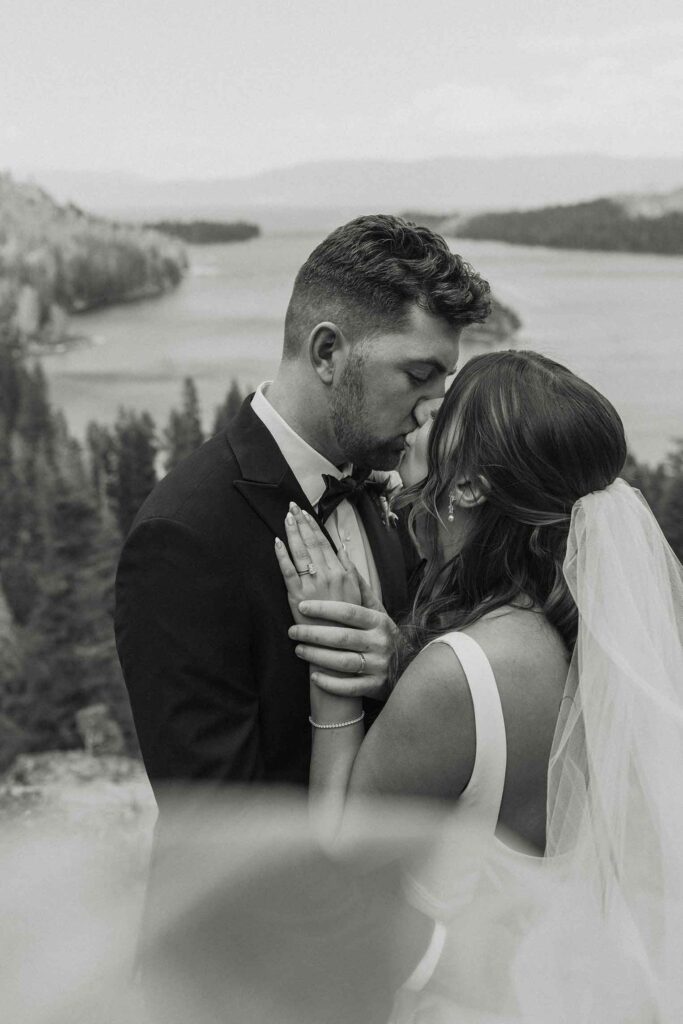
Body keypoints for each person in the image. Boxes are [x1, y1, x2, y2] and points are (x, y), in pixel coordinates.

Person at [113, 214, 491, 1020]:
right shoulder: (186, 533)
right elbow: (219, 825)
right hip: (240, 982)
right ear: (327, 354)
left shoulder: (382, 489)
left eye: (443, 383)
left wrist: (402, 663)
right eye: (417, 374)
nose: (433, 411)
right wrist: (409, 956)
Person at [276, 350, 683, 1021]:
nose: (421, 418)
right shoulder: (578, 642)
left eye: (443, 412)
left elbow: (336, 863)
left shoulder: (460, 675)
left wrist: (333, 672)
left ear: (466, 487)